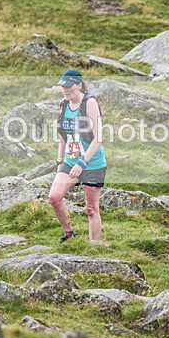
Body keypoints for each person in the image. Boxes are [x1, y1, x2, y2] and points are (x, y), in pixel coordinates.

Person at [47, 69, 107, 243]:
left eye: (68, 86)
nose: (65, 90)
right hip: (70, 160)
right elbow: (62, 136)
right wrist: (60, 161)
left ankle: (94, 247)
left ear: (79, 85)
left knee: (91, 209)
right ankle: (70, 234)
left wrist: (82, 163)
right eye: (62, 86)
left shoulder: (90, 103)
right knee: (54, 197)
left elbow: (98, 138)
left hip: (92, 162)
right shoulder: (64, 104)